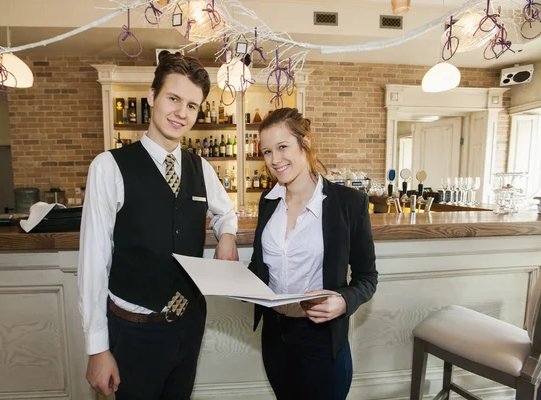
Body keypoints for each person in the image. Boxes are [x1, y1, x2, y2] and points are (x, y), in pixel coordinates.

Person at [78, 53, 239, 399]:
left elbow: (227, 212)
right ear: (152, 97)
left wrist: (226, 236)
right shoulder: (109, 167)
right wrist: (97, 348)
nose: (182, 113)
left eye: (193, 106)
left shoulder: (201, 168)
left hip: (188, 324)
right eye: (174, 99)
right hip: (133, 333)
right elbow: (93, 262)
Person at [248, 107, 378, 399]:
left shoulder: (349, 203)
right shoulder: (267, 202)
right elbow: (260, 265)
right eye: (267, 152)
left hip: (321, 336)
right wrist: (228, 278)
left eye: (282, 147)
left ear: (305, 143)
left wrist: (344, 301)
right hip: (275, 334)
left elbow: (367, 277)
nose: (274, 160)